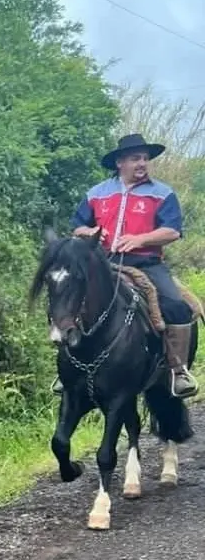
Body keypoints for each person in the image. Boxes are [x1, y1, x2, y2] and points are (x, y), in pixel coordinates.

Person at [65, 130, 198, 398]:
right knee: (68, 299)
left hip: (147, 263)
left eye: (145, 158)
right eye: (136, 158)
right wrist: (90, 232)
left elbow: (172, 231)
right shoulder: (96, 193)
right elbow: (77, 227)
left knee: (176, 307)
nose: (142, 164)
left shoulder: (162, 193)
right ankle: (68, 370)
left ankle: (177, 371)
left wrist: (140, 239)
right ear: (120, 162)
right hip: (103, 263)